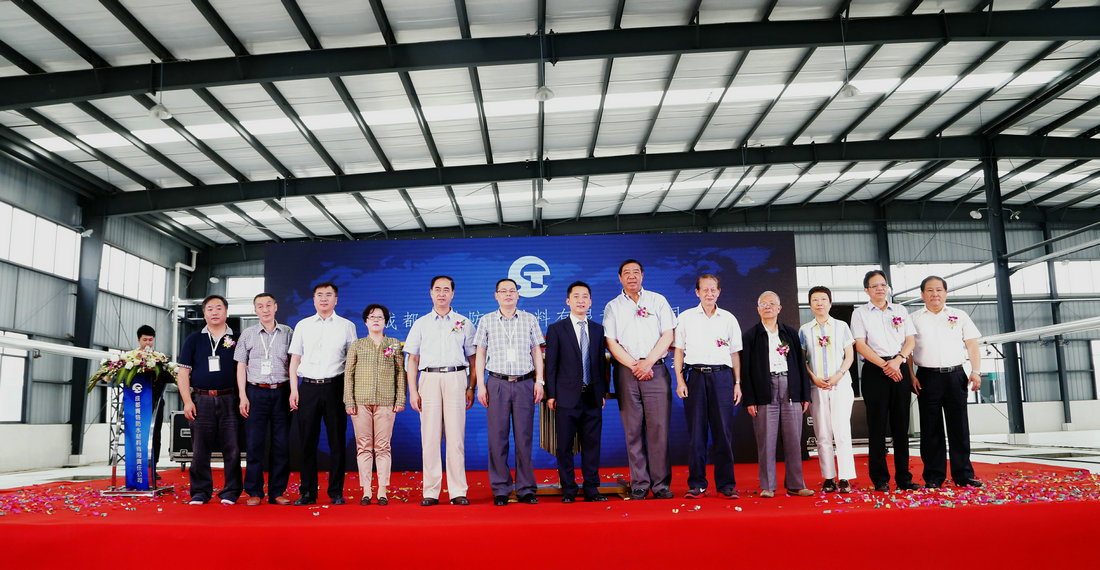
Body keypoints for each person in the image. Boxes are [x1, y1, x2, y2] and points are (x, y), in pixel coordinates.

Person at [603, 259, 676, 500]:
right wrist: (635, 365)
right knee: (632, 430)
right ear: (620, 278)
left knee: (658, 429)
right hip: (627, 372)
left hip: (656, 369)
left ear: (642, 276)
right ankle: (639, 484)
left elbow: (668, 335)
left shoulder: (658, 300)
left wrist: (648, 362)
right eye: (627, 273)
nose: (632, 276)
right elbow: (611, 342)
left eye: (636, 272)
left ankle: (661, 484)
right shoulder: (613, 307)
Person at [405, 275, 476, 506]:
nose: (442, 293)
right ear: (431, 293)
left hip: (457, 378)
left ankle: (458, 491)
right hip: (429, 379)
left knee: (456, 438)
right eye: (438, 289)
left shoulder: (464, 322)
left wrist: (471, 386)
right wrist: (413, 390)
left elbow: (473, 358)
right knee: (430, 437)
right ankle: (431, 491)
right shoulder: (421, 323)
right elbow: (413, 359)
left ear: (453, 294)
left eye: (446, 289)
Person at [474, 278, 546, 506]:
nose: (508, 294)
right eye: (503, 291)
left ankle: (526, 488)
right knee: (497, 438)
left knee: (524, 437)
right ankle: (501, 488)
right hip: (497, 383)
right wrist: (481, 385)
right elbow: (480, 354)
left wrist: (539, 381)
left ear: (518, 295)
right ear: (496, 295)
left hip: (525, 383)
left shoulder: (529, 319)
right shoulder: (486, 320)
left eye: (512, 291)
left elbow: (537, 352)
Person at [672, 274, 743, 500]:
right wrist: (680, 380)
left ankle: (726, 485)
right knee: (696, 434)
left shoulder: (728, 319)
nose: (709, 293)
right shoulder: (685, 318)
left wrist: (737, 383)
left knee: (723, 432)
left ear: (719, 292)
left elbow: (735, 354)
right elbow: (678, 351)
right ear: (697, 292)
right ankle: (697, 484)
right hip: (695, 377)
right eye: (705, 289)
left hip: (723, 378)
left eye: (713, 289)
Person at [910, 276, 983, 489]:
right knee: (930, 429)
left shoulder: (959, 315)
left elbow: (972, 345)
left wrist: (976, 371)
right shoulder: (913, 318)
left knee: (959, 427)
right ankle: (934, 476)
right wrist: (911, 376)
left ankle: (964, 474)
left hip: (956, 376)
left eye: (939, 290)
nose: (935, 294)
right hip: (927, 377)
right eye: (930, 290)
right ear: (922, 294)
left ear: (946, 293)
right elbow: (907, 350)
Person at [288, 282, 357, 506]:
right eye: (320, 295)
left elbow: (352, 363)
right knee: (307, 442)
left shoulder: (347, 326)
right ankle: (307, 492)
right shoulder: (303, 325)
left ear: (336, 300)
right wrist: (294, 389)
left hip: (335, 387)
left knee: (337, 441)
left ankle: (336, 492)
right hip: (307, 387)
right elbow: (295, 359)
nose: (324, 299)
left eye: (329, 295)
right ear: (314, 299)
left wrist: (350, 393)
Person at [851, 270, 920, 492]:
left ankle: (904, 478)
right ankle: (880, 479)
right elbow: (860, 345)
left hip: (899, 367)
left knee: (901, 426)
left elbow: (910, 341)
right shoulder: (860, 313)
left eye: (883, 285)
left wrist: (897, 361)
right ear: (866, 290)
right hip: (875, 371)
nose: (880, 289)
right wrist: (885, 365)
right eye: (875, 286)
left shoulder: (900, 310)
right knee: (877, 426)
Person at [741, 291, 814, 498]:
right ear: (758, 309)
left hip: (791, 388)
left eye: (772, 304)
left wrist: (805, 395)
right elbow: (745, 370)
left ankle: (795, 484)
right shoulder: (751, 336)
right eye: (763, 304)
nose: (768, 307)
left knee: (793, 440)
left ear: (779, 308)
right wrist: (750, 399)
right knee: (766, 440)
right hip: (764, 390)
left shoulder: (789, 333)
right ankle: (768, 486)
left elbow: (801, 364)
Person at [546, 281, 609, 503]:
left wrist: (602, 393)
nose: (581, 300)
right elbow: (551, 365)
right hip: (565, 397)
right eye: (576, 296)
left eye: (585, 297)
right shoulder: (556, 329)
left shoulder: (598, 329)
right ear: (568, 301)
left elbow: (601, 363)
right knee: (564, 446)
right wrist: (551, 394)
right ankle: (569, 490)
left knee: (592, 445)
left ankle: (592, 489)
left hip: (592, 396)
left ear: (590, 302)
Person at [177, 295, 242, 505]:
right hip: (201, 399)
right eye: (210, 309)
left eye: (218, 308)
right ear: (204, 313)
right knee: (200, 449)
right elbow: (183, 372)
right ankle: (200, 492)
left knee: (232, 448)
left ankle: (231, 491)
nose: (214, 312)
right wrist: (187, 401)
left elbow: (244, 369)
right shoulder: (193, 339)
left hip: (230, 398)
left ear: (226, 312)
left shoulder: (238, 338)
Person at [234, 293, 294, 506]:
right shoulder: (248, 334)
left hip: (282, 391)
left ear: (276, 307)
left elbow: (294, 363)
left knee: (281, 444)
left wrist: (294, 391)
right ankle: (254, 491)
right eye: (260, 306)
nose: (265, 309)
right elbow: (241, 365)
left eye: (269, 305)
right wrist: (242, 395)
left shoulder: (288, 332)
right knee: (254, 443)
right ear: (255, 310)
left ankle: (277, 491)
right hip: (255, 392)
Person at [344, 304, 407, 506]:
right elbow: (348, 374)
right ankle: (366, 490)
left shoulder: (394, 344)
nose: (376, 320)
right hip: (360, 402)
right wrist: (349, 400)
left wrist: (400, 399)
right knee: (363, 447)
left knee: (383, 447)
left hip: (386, 401)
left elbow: (401, 373)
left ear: (386, 321)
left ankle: (382, 490)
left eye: (380, 317)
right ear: (366, 322)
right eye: (372, 317)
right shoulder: (358, 345)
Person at [798, 286, 856, 494]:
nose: (819, 303)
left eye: (823, 299)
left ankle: (845, 477)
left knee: (842, 432)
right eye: (815, 300)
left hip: (840, 385)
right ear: (810, 304)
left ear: (830, 303)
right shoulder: (804, 330)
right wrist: (813, 377)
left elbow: (849, 355)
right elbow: (802, 360)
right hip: (817, 387)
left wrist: (838, 375)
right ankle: (829, 477)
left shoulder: (841, 326)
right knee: (822, 433)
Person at [137, 325, 166, 481]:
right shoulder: (131, 359)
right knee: (137, 435)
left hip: (156, 402)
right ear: (139, 340)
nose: (148, 343)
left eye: (150, 340)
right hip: (136, 403)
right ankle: (136, 468)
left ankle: (153, 468)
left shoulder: (159, 359)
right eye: (145, 340)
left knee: (155, 435)